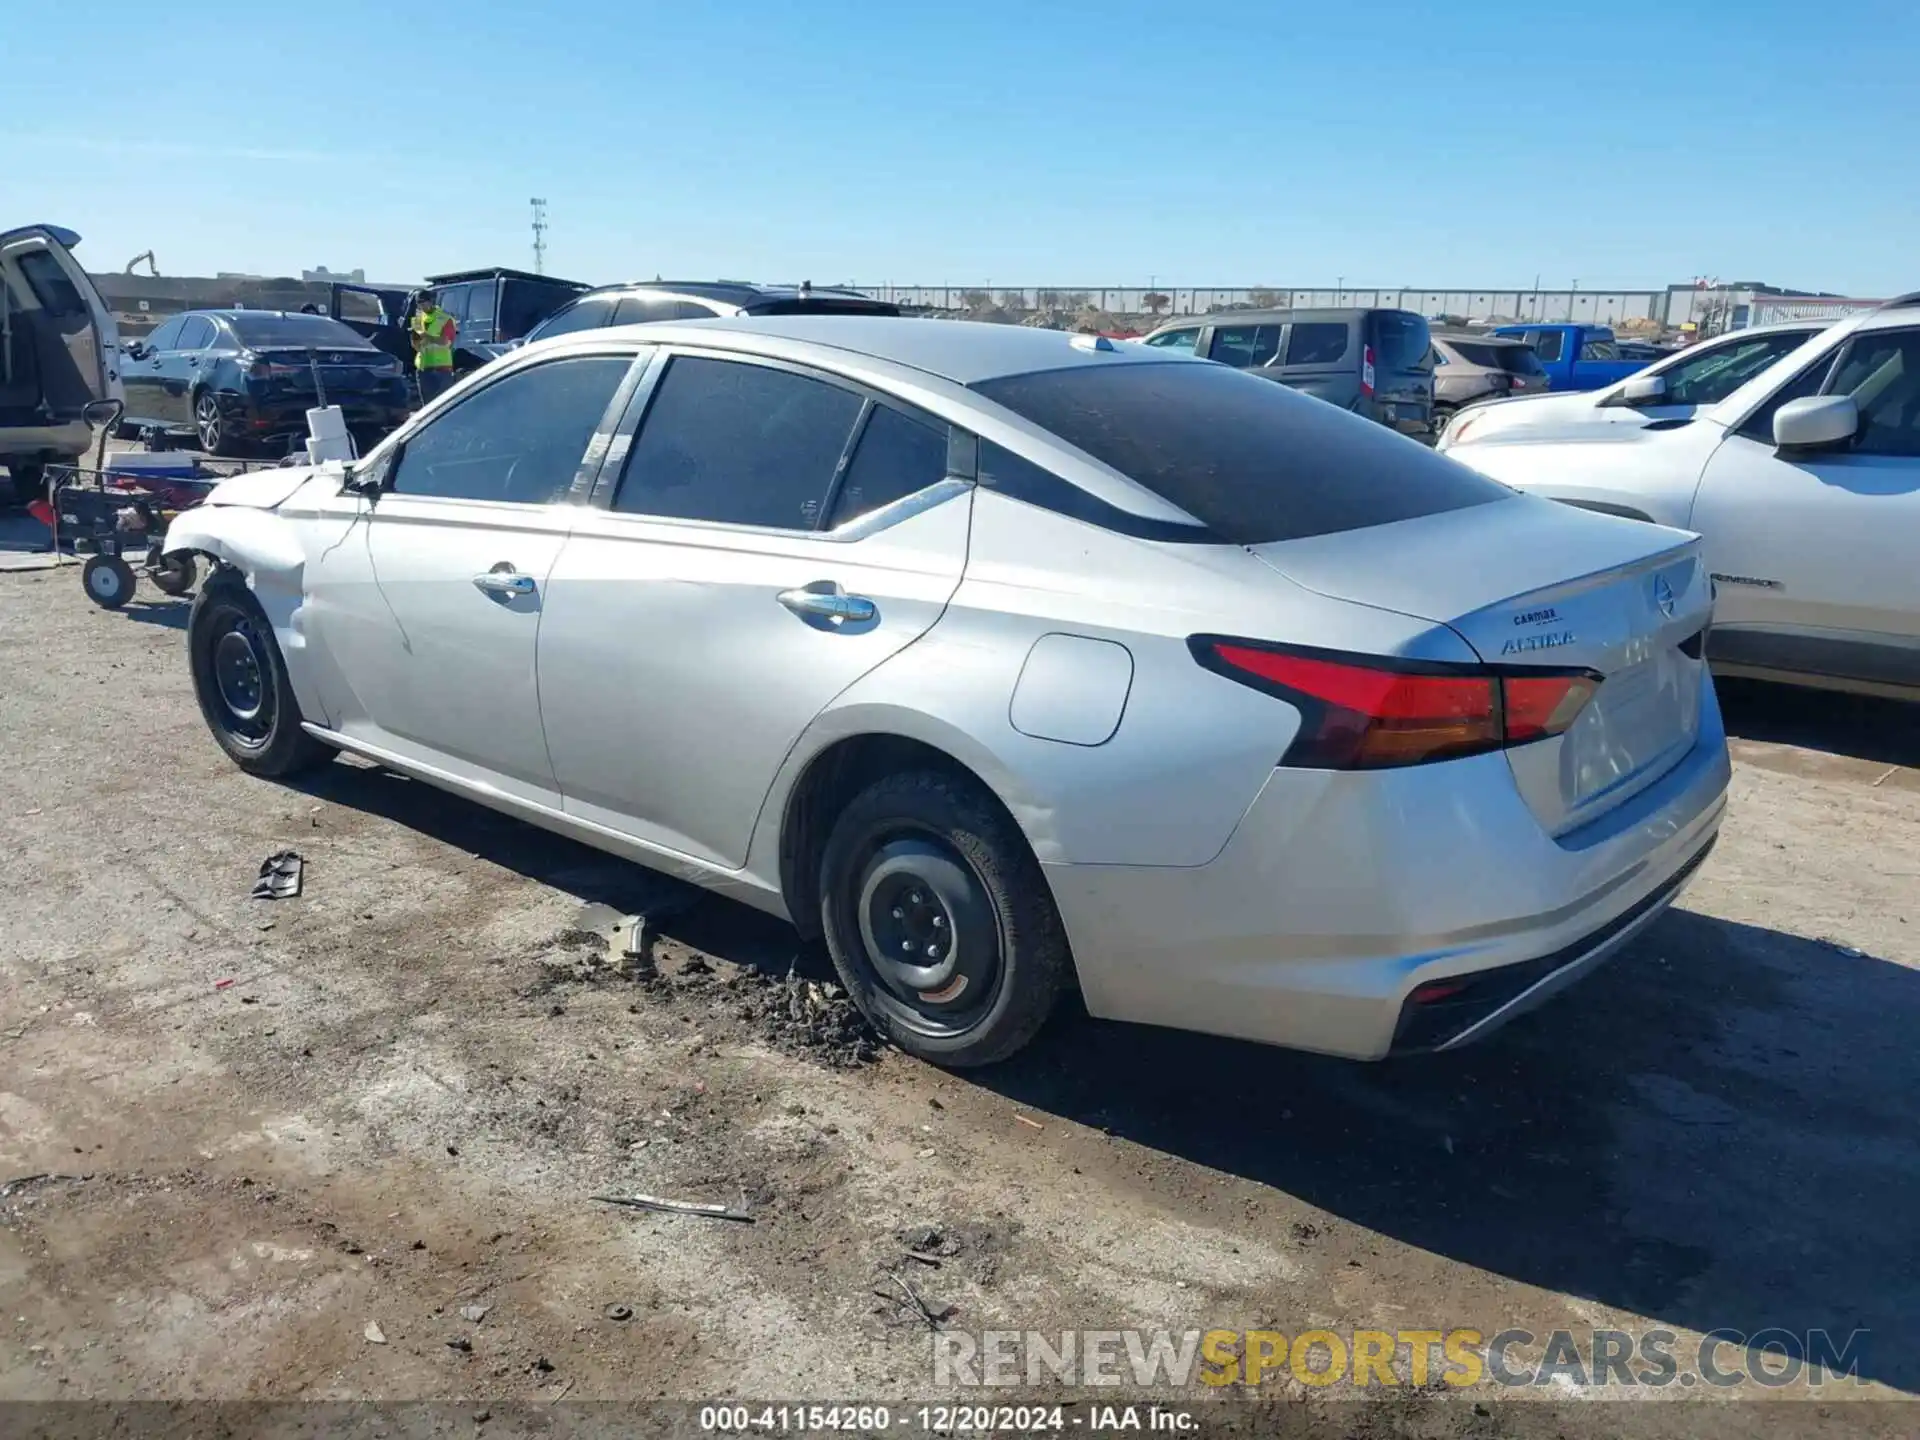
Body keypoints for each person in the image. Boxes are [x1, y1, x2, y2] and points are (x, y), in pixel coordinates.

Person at [410, 289, 457, 404]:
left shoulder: (445, 319)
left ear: (431, 301)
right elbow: (414, 343)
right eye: (419, 303)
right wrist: (416, 342)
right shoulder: (417, 320)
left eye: (423, 302)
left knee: (444, 405)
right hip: (424, 368)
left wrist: (427, 337)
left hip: (442, 369)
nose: (421, 305)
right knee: (427, 407)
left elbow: (446, 342)